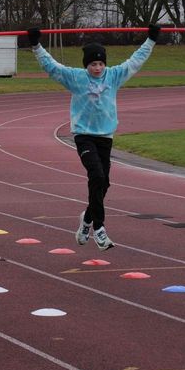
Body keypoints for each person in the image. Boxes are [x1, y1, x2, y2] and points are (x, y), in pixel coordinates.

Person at [28, 25, 160, 250]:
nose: (97, 68)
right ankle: (99, 228)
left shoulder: (114, 75)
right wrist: (36, 45)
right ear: (86, 65)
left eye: (100, 64)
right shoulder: (76, 78)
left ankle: (87, 220)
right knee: (97, 176)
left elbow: (135, 61)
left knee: (104, 183)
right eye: (92, 64)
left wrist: (151, 40)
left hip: (105, 137)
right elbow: (51, 67)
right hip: (84, 136)